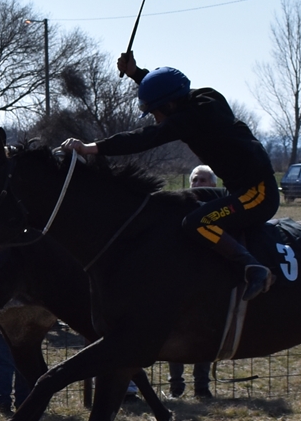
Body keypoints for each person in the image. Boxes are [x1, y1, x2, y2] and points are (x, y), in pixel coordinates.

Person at [63, 54, 278, 302]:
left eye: (155, 112)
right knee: (180, 202)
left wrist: (91, 148)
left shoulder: (194, 117)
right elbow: (166, 89)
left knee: (197, 223)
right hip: (236, 191)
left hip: (258, 194)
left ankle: (253, 267)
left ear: (170, 106)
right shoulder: (198, 98)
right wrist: (136, 73)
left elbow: (145, 137)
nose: (156, 118)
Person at [169, 165, 221, 398]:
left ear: (213, 185)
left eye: (203, 180)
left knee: (205, 333)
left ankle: (202, 386)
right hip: (181, 280)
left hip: (209, 281)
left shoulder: (220, 210)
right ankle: (176, 386)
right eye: (195, 180)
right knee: (175, 332)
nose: (198, 184)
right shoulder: (179, 210)